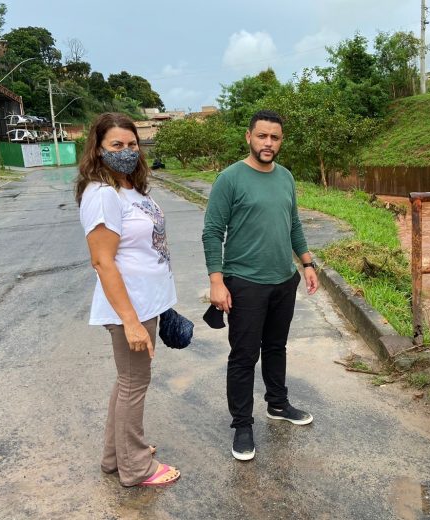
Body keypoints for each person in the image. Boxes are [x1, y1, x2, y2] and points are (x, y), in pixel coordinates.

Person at [202, 109, 319, 461]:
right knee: (243, 356)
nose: (268, 143)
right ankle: (242, 425)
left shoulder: (285, 177)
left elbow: (293, 223)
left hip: (283, 280)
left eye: (275, 138)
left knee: (276, 347)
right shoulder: (230, 179)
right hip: (246, 282)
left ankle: (278, 404)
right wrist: (217, 282)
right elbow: (212, 232)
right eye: (262, 136)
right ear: (249, 137)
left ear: (281, 141)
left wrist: (307, 262)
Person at [75, 112, 180, 487]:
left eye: (132, 144)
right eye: (116, 145)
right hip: (128, 308)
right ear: (99, 150)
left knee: (127, 382)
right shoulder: (102, 194)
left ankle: (113, 457)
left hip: (146, 302)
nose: (126, 151)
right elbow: (103, 262)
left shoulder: (130, 189)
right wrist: (131, 321)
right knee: (135, 384)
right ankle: (135, 468)